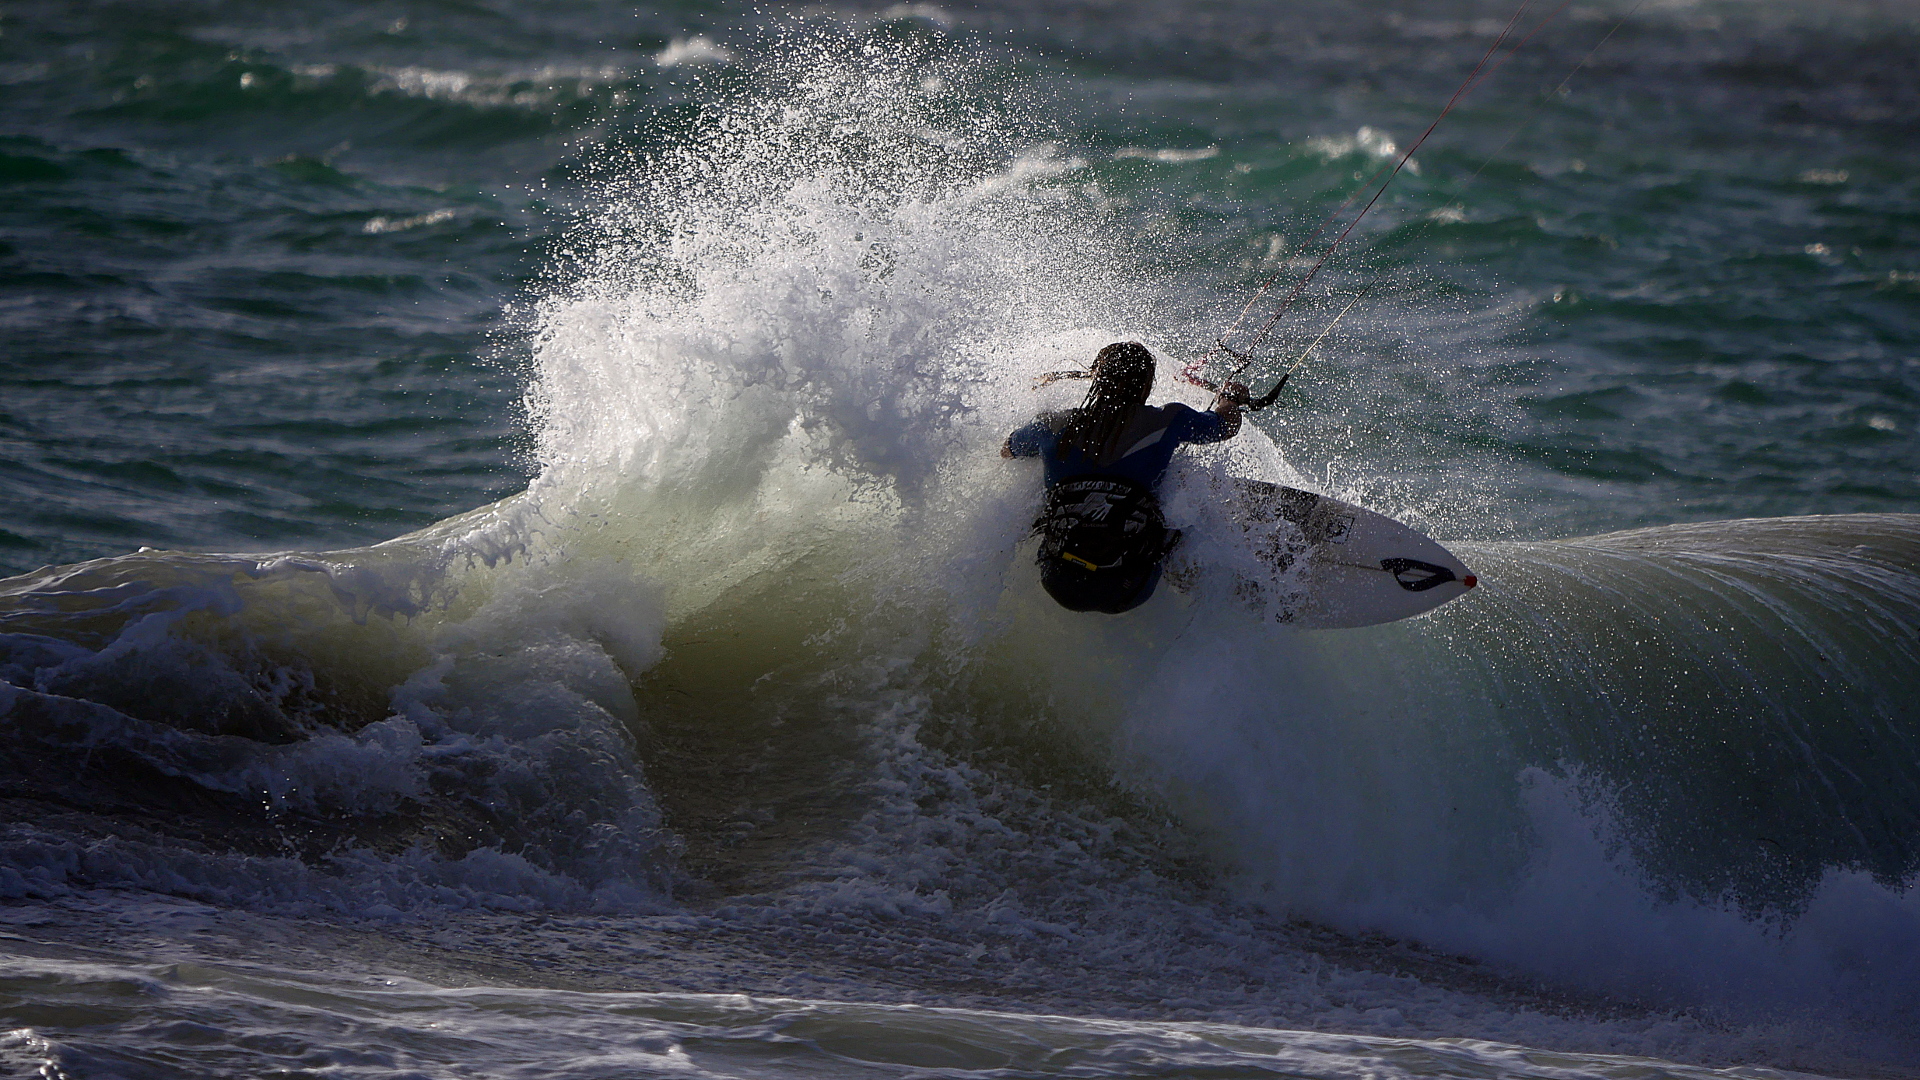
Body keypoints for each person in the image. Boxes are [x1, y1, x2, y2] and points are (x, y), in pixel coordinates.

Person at [1002, 341, 1246, 614]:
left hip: (1057, 580)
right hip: (1129, 588)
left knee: (1047, 496)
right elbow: (1225, 425)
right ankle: (1201, 588)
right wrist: (1230, 398)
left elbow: (1007, 449)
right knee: (1182, 491)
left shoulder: (1050, 424)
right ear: (1146, 386)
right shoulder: (1170, 421)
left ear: (1097, 380)